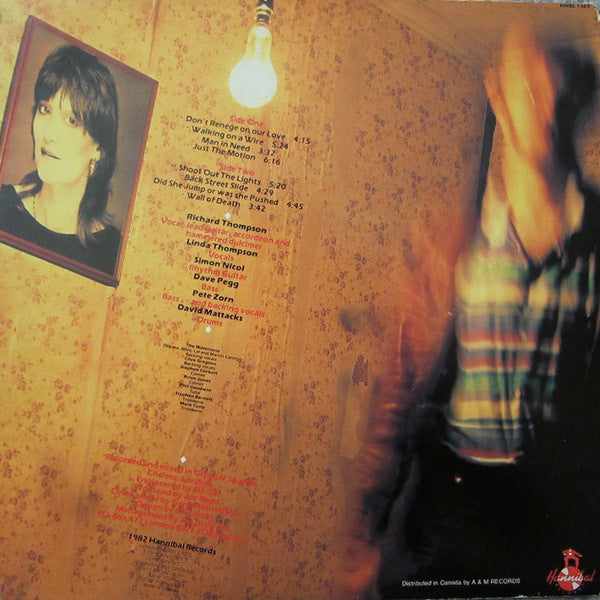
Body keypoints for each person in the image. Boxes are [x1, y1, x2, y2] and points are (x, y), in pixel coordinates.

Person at [339, 23, 600, 598]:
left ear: (577, 102)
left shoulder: (594, 244)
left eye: (554, 88)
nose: (542, 105)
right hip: (451, 510)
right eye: (526, 86)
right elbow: (400, 389)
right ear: (498, 94)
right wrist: (368, 528)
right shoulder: (453, 246)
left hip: (552, 516)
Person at [0, 44, 120, 275]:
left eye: (71, 121)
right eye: (45, 110)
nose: (49, 134)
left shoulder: (111, 252)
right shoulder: (3, 204)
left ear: (98, 148)